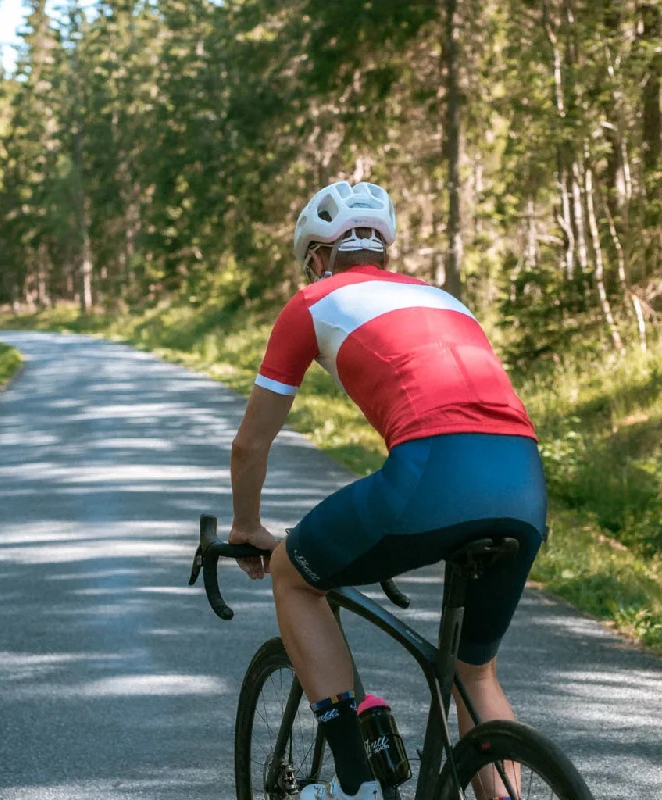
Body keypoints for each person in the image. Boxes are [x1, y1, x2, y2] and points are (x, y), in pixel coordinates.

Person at [228, 181, 546, 800]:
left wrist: (247, 528)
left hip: (433, 476)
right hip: (524, 480)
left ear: (318, 255)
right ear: (383, 248)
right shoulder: (446, 299)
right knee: (473, 673)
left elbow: (250, 444)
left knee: (294, 573)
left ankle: (359, 783)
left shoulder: (314, 301)